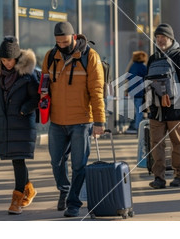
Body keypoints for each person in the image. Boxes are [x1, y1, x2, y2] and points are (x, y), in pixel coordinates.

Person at [41, 21, 105, 217]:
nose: (61, 44)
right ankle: (65, 189)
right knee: (56, 162)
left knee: (79, 164)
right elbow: (44, 85)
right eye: (58, 41)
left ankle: (74, 203)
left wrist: (99, 121)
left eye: (65, 41)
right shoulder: (51, 56)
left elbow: (96, 91)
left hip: (81, 121)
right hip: (57, 120)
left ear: (74, 37)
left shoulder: (90, 56)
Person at [0, 36, 39, 214]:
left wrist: (24, 110)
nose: (7, 63)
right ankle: (29, 189)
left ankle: (16, 200)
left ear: (17, 58)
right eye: (3, 60)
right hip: (5, 125)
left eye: (10, 59)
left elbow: (36, 98)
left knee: (18, 160)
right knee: (17, 159)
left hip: (22, 125)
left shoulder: (28, 76)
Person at [145, 23, 180, 189]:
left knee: (178, 144)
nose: (160, 40)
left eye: (164, 37)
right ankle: (159, 178)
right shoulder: (153, 58)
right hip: (157, 109)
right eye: (158, 37)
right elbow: (146, 84)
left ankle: (179, 175)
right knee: (156, 144)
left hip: (177, 109)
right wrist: (146, 106)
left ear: (171, 38)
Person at [125, 51, 148, 134]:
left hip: (132, 91)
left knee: (137, 110)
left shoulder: (132, 66)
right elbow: (147, 77)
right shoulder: (143, 67)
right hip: (139, 91)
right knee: (139, 111)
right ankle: (138, 127)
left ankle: (135, 125)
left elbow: (127, 77)